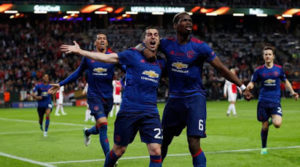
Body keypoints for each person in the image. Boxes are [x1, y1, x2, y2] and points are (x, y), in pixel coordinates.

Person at [139, 12, 252, 167]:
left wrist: (242, 86)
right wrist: (144, 52)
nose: (188, 22)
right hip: (174, 99)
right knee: (163, 142)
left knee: (193, 143)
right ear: (175, 25)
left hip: (194, 99)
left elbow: (222, 68)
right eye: (184, 20)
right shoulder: (166, 43)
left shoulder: (200, 47)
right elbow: (145, 47)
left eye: (190, 20)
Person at [60, 27, 164, 167]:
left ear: (159, 40)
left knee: (156, 151)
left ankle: (89, 131)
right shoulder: (131, 55)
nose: (153, 37)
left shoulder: (162, 63)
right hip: (128, 111)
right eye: (149, 35)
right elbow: (107, 58)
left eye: (156, 35)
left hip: (150, 112)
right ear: (144, 40)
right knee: (119, 150)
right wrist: (80, 51)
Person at [49, 33, 115, 157]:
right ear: (95, 43)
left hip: (108, 98)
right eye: (99, 38)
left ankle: (87, 132)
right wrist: (61, 84)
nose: (101, 40)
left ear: (107, 43)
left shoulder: (112, 57)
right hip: (94, 96)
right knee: (104, 125)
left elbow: (128, 70)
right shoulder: (88, 57)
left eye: (104, 39)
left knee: (100, 126)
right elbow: (77, 73)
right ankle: (110, 159)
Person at [246, 46, 299, 155]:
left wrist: (292, 92)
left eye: (269, 54)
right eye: (266, 54)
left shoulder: (279, 69)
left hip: (275, 101)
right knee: (264, 127)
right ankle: (264, 147)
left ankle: (271, 120)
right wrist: (249, 86)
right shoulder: (259, 70)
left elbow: (286, 82)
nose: (267, 56)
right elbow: (252, 82)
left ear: (273, 56)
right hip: (263, 101)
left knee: (277, 124)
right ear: (263, 56)